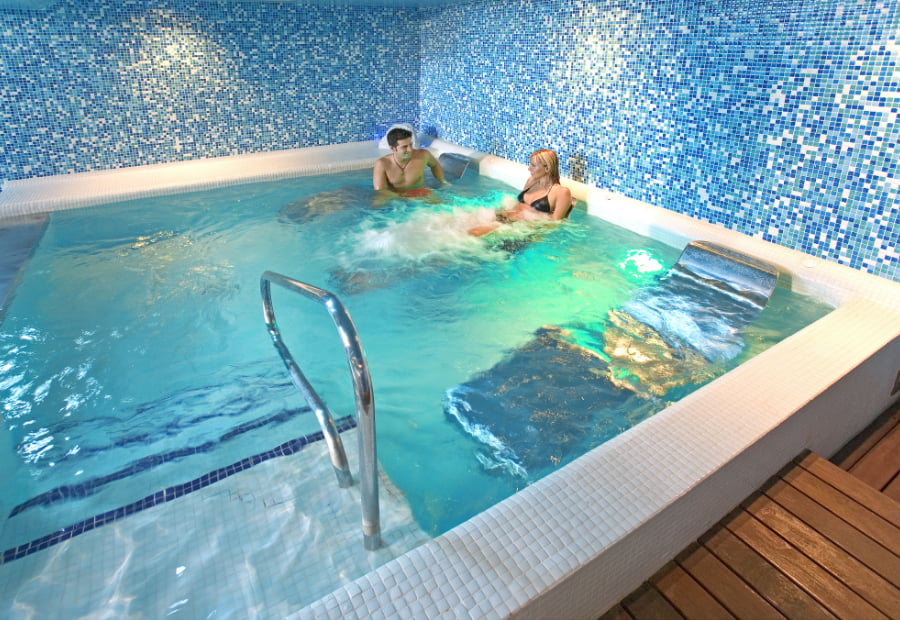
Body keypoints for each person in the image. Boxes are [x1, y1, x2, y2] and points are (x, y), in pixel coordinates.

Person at [469, 148, 573, 236]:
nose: (529, 168)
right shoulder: (531, 181)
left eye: (533, 165)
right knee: (461, 224)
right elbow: (519, 204)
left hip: (518, 227)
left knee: (474, 233)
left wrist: (526, 225)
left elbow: (555, 223)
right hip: (505, 217)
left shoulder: (561, 192)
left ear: (547, 168)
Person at [373, 127, 448, 197]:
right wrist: (401, 198)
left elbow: (435, 165)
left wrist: (442, 181)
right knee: (378, 206)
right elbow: (381, 191)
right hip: (395, 196)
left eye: (411, 145)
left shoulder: (423, 155)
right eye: (405, 147)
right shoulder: (382, 164)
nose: (410, 149)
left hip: (420, 192)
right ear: (393, 148)